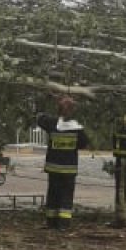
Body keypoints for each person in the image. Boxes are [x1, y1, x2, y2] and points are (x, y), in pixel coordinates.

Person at [35, 95, 89, 229]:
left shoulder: (52, 123)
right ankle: (63, 224)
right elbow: (83, 143)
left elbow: (40, 118)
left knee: (53, 194)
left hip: (53, 168)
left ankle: (51, 222)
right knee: (66, 196)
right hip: (69, 169)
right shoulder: (77, 128)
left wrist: (52, 99)